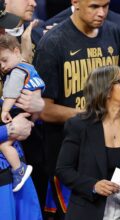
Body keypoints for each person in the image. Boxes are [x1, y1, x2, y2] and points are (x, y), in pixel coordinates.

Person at [33, 0, 120, 218]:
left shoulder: (116, 33)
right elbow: (44, 110)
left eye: (106, 6)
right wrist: (94, 114)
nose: (102, 13)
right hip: (71, 161)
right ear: (75, 2)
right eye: (94, 6)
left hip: (113, 156)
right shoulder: (53, 42)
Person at [56, 65, 120, 220]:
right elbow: (63, 169)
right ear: (106, 90)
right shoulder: (79, 126)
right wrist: (93, 186)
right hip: (88, 212)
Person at [0, 8, 44, 220]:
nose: (3, 33)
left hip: (17, 167)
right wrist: (7, 130)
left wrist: (38, 105)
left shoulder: (9, 67)